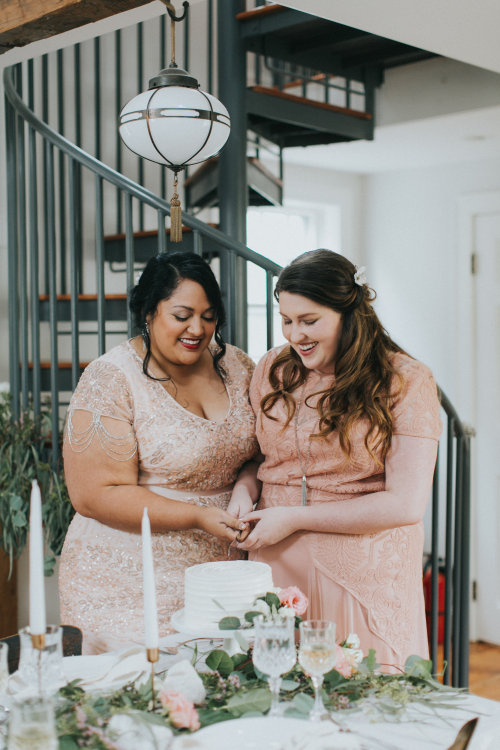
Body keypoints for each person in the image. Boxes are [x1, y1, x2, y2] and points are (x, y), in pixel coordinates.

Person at [228, 249, 442, 670]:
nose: (295, 335)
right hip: (276, 558)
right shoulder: (273, 369)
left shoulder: (405, 380)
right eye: (286, 319)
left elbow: (405, 504)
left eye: (310, 321)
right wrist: (244, 488)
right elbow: (261, 460)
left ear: (350, 314)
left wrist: (292, 517)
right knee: (280, 693)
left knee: (359, 697)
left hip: (362, 568)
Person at [59, 252, 258, 654]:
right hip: (129, 580)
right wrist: (198, 516)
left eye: (208, 315)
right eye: (182, 315)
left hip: (221, 576)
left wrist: (246, 486)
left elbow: (259, 450)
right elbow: (94, 494)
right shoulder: (111, 378)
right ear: (149, 312)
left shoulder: (236, 364)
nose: (197, 329)